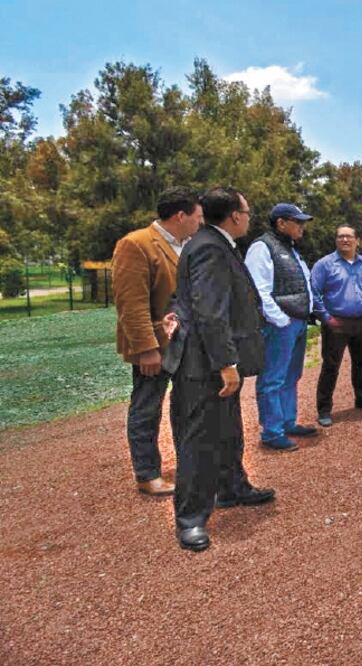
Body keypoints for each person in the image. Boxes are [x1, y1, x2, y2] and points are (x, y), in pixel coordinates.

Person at [162, 187, 273, 552]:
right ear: (234, 215)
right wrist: (226, 363)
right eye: (247, 210)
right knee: (199, 441)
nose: (249, 217)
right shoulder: (210, 247)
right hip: (204, 364)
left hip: (214, 359)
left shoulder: (215, 243)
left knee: (227, 428)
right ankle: (191, 518)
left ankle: (231, 487)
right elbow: (210, 311)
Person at [112, 186, 203, 496]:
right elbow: (131, 304)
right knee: (147, 408)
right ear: (181, 215)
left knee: (187, 405)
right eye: (197, 217)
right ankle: (147, 473)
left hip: (187, 342)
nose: (200, 223)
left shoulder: (188, 245)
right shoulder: (136, 244)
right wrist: (146, 349)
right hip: (156, 346)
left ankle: (189, 464)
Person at [244, 203, 320, 451]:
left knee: (291, 376)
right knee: (273, 379)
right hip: (280, 324)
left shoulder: (290, 249)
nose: (302, 227)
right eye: (297, 222)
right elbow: (259, 291)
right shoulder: (262, 247)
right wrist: (281, 319)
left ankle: (288, 422)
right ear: (281, 223)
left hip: (296, 323)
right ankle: (272, 432)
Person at [311, 225, 362, 427]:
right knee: (330, 366)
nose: (344, 240)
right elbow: (314, 293)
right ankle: (324, 409)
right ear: (336, 240)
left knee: (361, 363)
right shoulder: (324, 264)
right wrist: (326, 318)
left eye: (349, 237)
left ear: (357, 240)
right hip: (336, 323)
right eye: (340, 236)